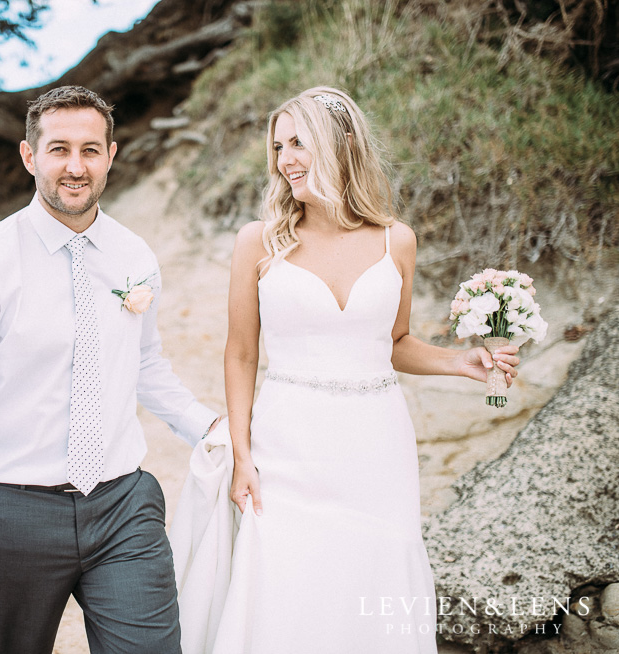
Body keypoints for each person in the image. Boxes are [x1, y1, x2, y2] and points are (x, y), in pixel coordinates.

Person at [0, 85, 220, 654]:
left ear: (111, 155)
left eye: (91, 150)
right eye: (59, 150)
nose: (76, 167)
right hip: (12, 515)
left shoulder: (135, 257)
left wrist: (212, 431)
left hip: (124, 506)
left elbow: (146, 364)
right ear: (30, 156)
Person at [203, 87, 520, 652]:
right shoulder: (258, 241)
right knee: (287, 582)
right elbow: (241, 353)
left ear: (342, 143)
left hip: (376, 446)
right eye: (278, 146)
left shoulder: (397, 240)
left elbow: (391, 343)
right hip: (286, 444)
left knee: (373, 571)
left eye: (300, 142)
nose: (285, 159)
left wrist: (459, 362)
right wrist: (243, 457)